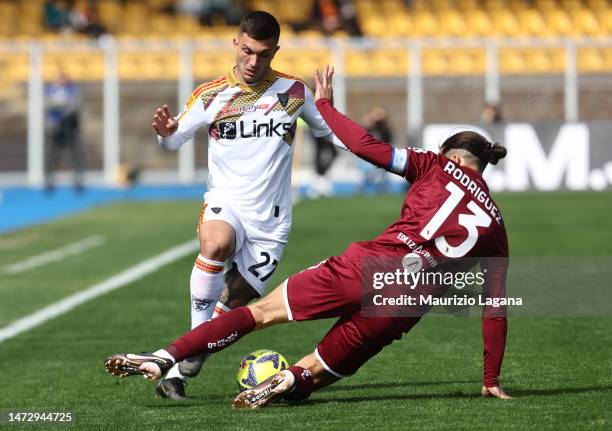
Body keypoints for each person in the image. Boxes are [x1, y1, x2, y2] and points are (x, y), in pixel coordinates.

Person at [105, 65, 511, 407]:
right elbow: (495, 307)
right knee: (314, 375)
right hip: (405, 304)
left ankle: (164, 357)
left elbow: (365, 145)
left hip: (365, 268)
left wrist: (326, 107)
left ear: (454, 158)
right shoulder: (495, 227)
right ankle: (291, 379)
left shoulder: (434, 165)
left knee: (259, 313)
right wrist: (490, 377)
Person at [149, 12, 346, 400]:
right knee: (215, 243)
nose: (254, 62)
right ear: (235, 43)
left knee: (236, 304)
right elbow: (174, 141)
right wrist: (166, 135)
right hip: (226, 202)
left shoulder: (293, 93)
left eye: (265, 55)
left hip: (271, 224)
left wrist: (331, 112)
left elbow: (333, 136)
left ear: (276, 51)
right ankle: (192, 343)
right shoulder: (211, 95)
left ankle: (186, 362)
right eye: (248, 51)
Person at [44, 71, 83, 192]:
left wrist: (60, 106)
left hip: (70, 126)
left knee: (74, 154)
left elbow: (75, 105)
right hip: (55, 127)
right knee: (53, 155)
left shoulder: (73, 89)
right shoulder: (50, 90)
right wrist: (62, 104)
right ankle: (49, 181)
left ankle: (77, 181)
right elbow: (47, 104)